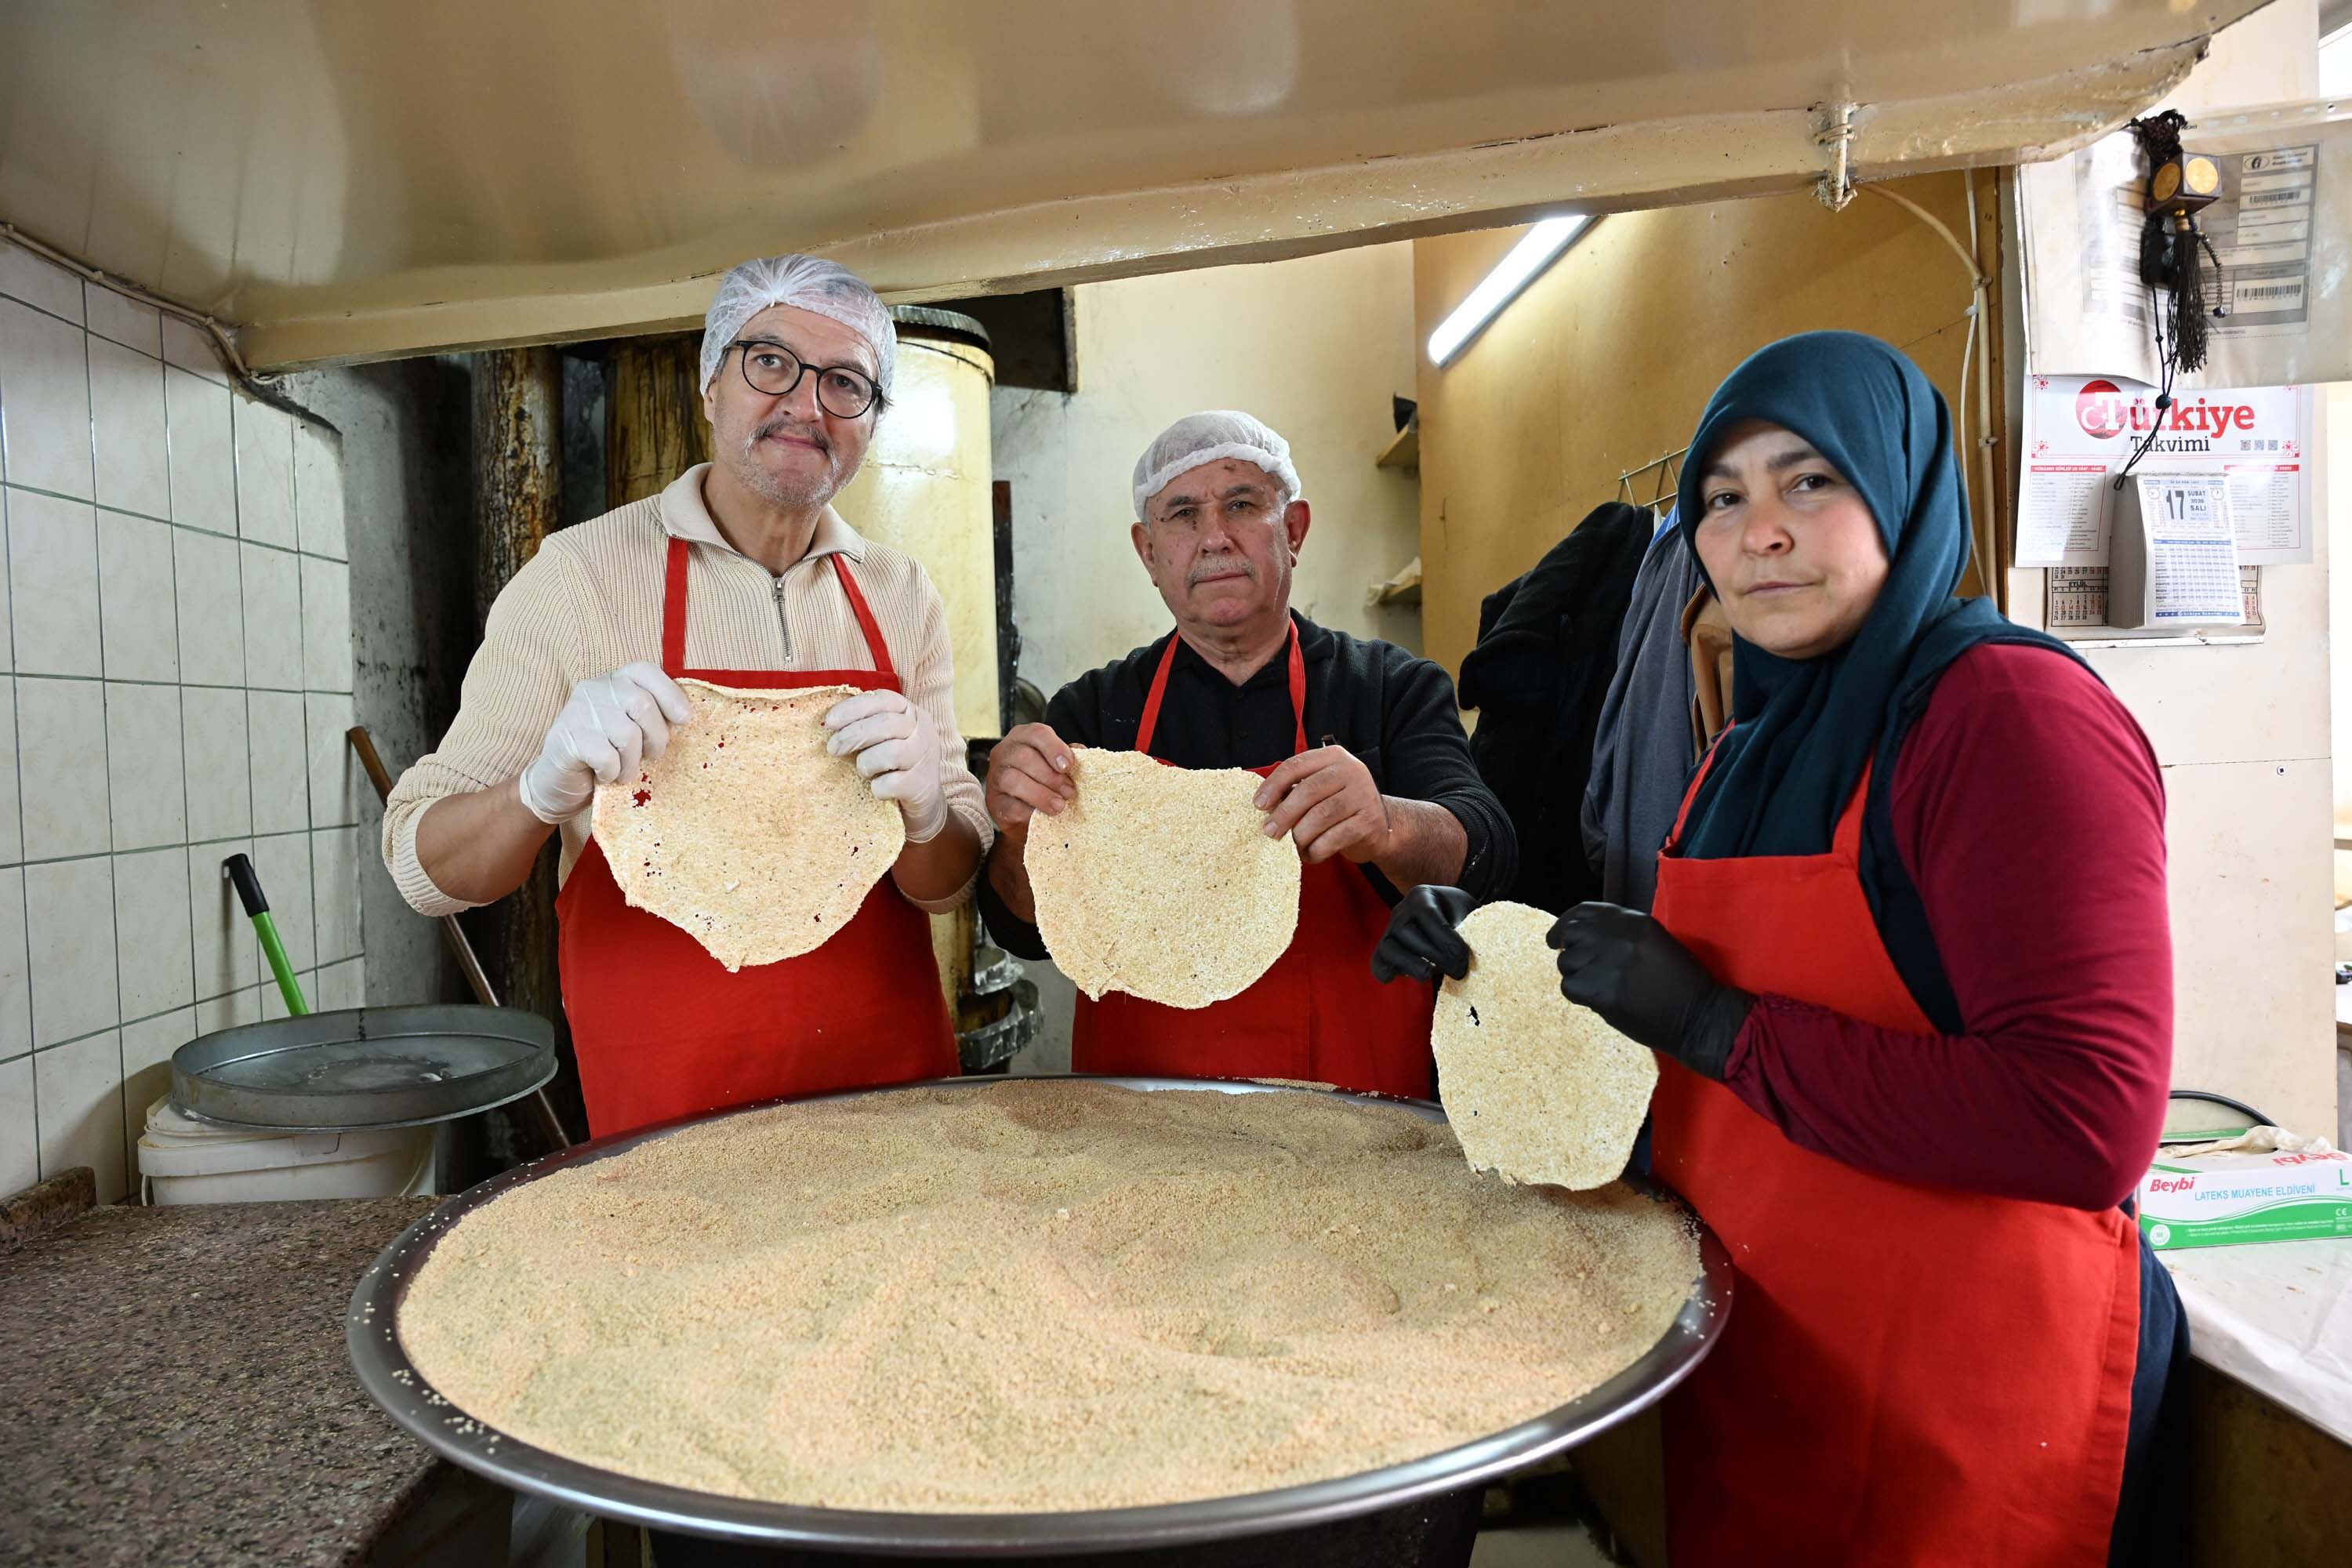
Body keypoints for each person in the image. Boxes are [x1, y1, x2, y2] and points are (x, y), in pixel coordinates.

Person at [1376, 332, 2183, 1566]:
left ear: (1903, 486)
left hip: (1965, 1396)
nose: (1759, 531)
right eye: (1722, 496)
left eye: (1809, 481)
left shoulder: (2006, 717)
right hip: (1779, 1376)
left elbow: (2086, 1119)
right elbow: (1702, 1074)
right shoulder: (1742, 757)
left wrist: (1715, 1026)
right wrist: (1500, 975)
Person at [383, 255, 988, 1139]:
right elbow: (420, 866)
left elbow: (948, 886)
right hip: (667, 1122)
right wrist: (537, 791)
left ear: (872, 421)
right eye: (770, 362)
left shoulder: (901, 594)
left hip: (886, 1114)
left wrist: (934, 810)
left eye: (846, 382)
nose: (806, 404)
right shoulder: (582, 576)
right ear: (710, 383)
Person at [978, 412, 1515, 1098]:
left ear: (1292, 531)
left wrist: (1385, 823)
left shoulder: (1389, 688)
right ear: (1148, 551)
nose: (1214, 538)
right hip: (1144, 1122)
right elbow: (1024, 934)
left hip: (1355, 1120)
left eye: (1241, 505)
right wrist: (1020, 835)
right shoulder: (1094, 712)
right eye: (1182, 515)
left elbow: (1489, 857)